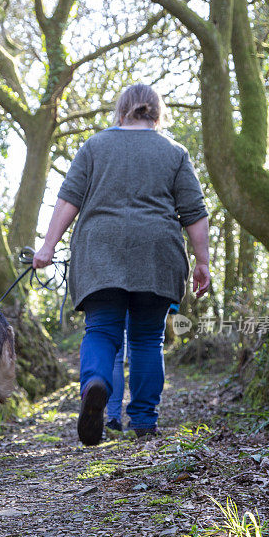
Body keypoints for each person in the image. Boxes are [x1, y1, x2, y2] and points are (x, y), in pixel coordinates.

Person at [33, 84, 210, 445]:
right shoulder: (174, 152)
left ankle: (95, 383)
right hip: (157, 253)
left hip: (100, 251)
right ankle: (143, 420)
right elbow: (194, 213)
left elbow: (69, 199)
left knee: (101, 330)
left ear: (121, 112)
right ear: (157, 116)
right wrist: (202, 262)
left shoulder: (95, 146)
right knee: (147, 338)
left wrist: (47, 247)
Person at [106, 303, 179, 432]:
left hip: (113, 289)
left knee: (116, 357)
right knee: (143, 345)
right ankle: (141, 418)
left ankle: (113, 419)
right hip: (146, 291)